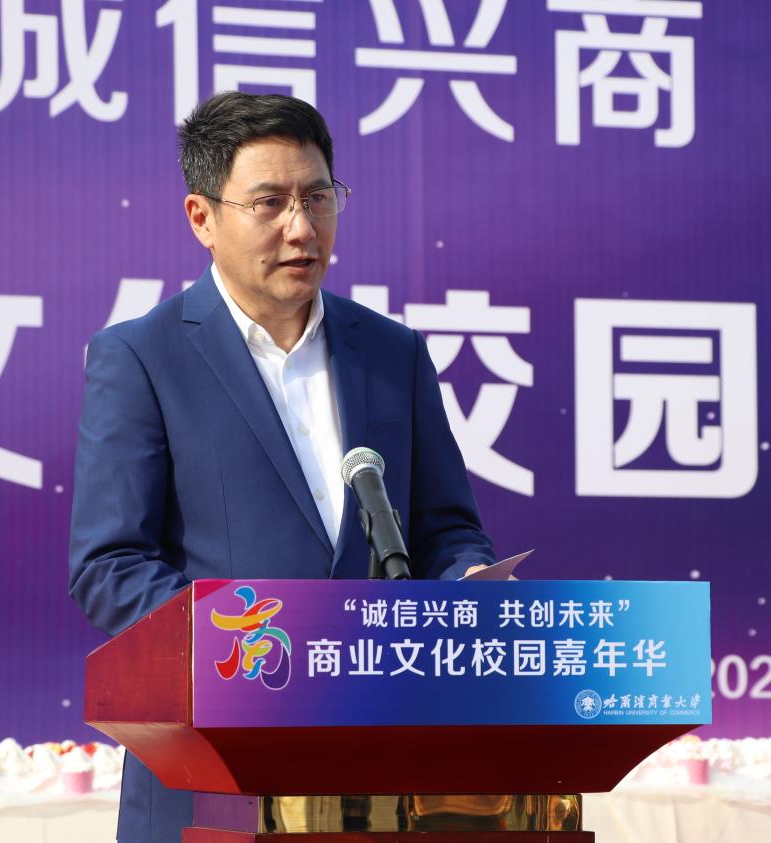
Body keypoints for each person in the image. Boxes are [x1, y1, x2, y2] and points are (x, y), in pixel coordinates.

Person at [68, 92, 496, 842]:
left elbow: (445, 531)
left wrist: (472, 583)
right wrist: (259, 641)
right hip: (214, 777)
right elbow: (109, 566)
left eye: (318, 198)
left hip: (380, 771)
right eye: (269, 203)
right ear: (202, 217)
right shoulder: (140, 357)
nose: (301, 228)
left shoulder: (392, 353)